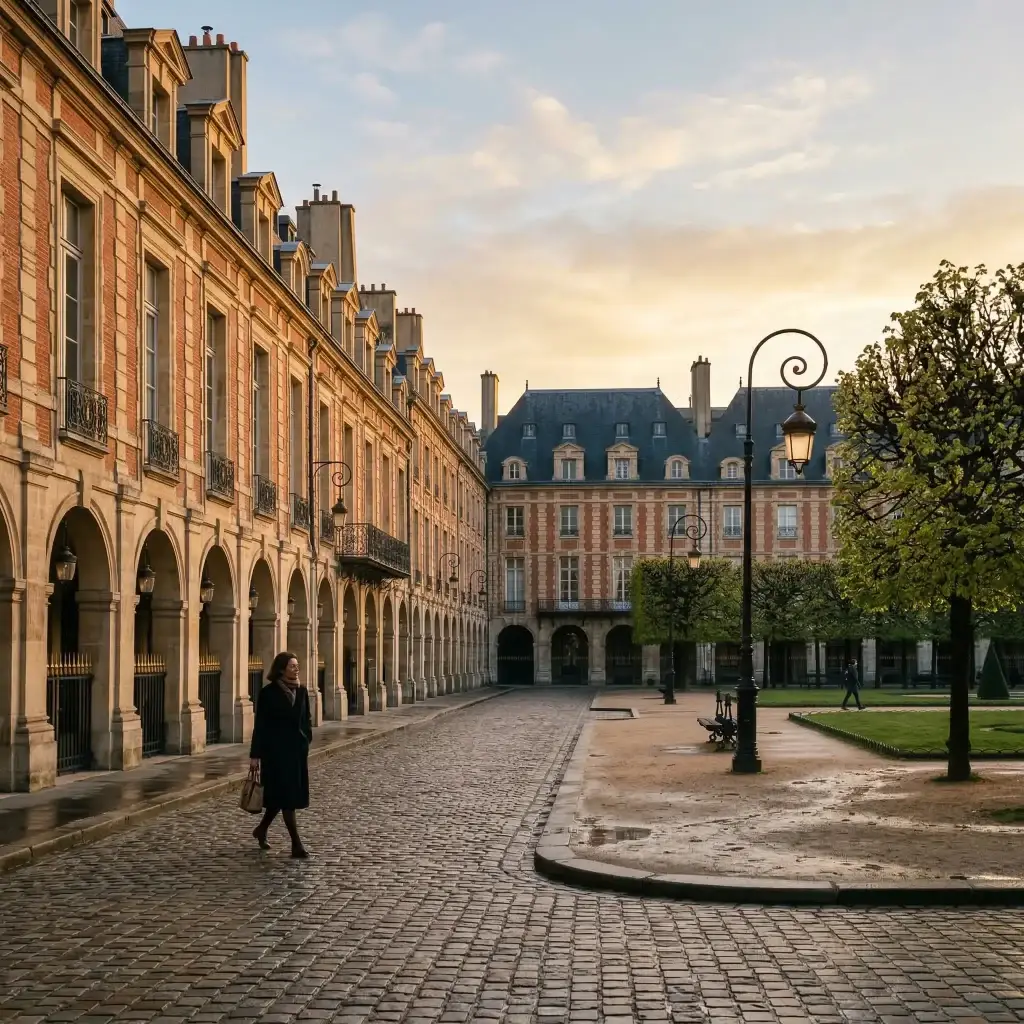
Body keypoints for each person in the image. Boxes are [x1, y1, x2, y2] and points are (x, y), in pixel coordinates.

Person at [249, 651, 312, 857]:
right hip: (275, 753)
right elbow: (261, 726)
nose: (296, 668)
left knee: (281, 797)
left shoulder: (302, 691)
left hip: (296, 753)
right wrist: (255, 755)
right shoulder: (268, 693)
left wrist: (306, 740)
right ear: (282, 668)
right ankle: (296, 844)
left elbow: (306, 720)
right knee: (288, 799)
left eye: (297, 665)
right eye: (292, 665)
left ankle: (261, 830)